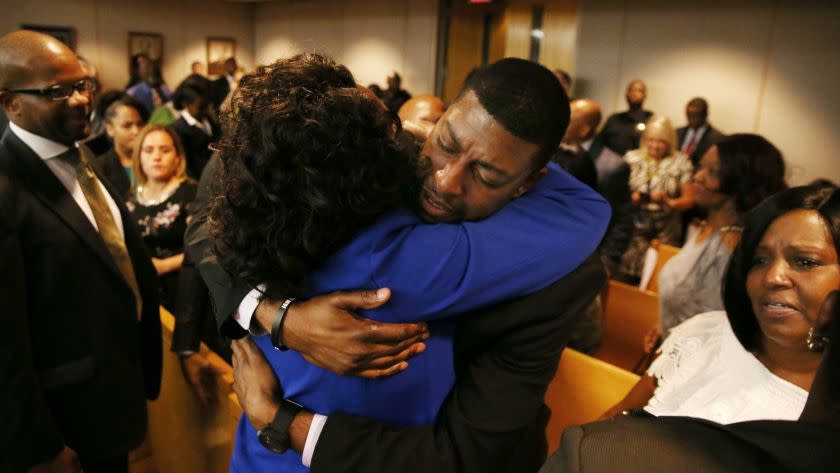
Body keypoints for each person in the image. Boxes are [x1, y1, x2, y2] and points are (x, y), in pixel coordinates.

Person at [188, 56, 610, 472]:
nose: (446, 181)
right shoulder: (371, 182)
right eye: (446, 143)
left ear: (528, 183)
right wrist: (274, 315)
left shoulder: (555, 276)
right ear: (440, 118)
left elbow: (466, 455)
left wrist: (279, 421)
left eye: (487, 174)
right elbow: (219, 192)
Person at [0, 30, 162, 473]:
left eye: (82, 85)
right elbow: (6, 341)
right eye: (56, 91)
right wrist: (38, 446)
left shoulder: (80, 154)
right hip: (62, 424)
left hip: (111, 397)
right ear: (10, 103)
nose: (78, 100)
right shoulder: (8, 187)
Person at [601, 182, 840, 425]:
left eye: (805, 262)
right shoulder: (707, 335)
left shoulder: (827, 410)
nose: (771, 276)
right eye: (760, 260)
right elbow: (615, 419)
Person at [653, 134, 787, 340]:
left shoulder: (730, 248)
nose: (697, 177)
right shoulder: (707, 228)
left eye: (712, 172)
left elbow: (715, 327)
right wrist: (663, 326)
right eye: (701, 166)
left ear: (740, 183)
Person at [614, 115, 694, 281]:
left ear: (670, 142)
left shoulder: (681, 162)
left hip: (665, 231)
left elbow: (689, 200)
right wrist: (632, 199)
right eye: (651, 140)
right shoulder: (631, 158)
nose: (655, 146)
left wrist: (668, 201)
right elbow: (615, 195)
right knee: (623, 277)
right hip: (632, 228)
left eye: (661, 142)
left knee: (657, 277)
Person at [126, 125, 195, 311]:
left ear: (177, 157)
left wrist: (164, 265)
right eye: (148, 150)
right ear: (139, 157)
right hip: (144, 293)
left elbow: (207, 250)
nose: (156, 157)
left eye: (165, 150)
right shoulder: (129, 199)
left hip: (185, 291)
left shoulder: (191, 193)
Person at [563, 98, 630, 211]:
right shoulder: (555, 151)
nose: (562, 123)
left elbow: (612, 215)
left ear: (584, 130)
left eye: (569, 119)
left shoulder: (613, 167)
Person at [92, 95, 148, 199]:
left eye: (140, 124)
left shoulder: (154, 155)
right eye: (127, 126)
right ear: (110, 129)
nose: (136, 131)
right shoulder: (100, 169)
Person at [168, 75, 218, 179]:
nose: (206, 110)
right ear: (185, 103)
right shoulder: (177, 130)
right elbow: (187, 170)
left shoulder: (209, 121)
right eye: (201, 107)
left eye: (208, 105)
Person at [596, 79, 654, 156]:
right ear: (626, 94)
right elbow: (600, 143)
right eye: (631, 90)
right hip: (612, 164)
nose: (634, 94)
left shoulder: (651, 119)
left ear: (645, 95)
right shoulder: (614, 119)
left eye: (639, 91)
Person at [676, 97, 724, 166]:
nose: (690, 119)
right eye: (688, 115)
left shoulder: (717, 138)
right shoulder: (677, 133)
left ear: (705, 115)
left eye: (695, 116)